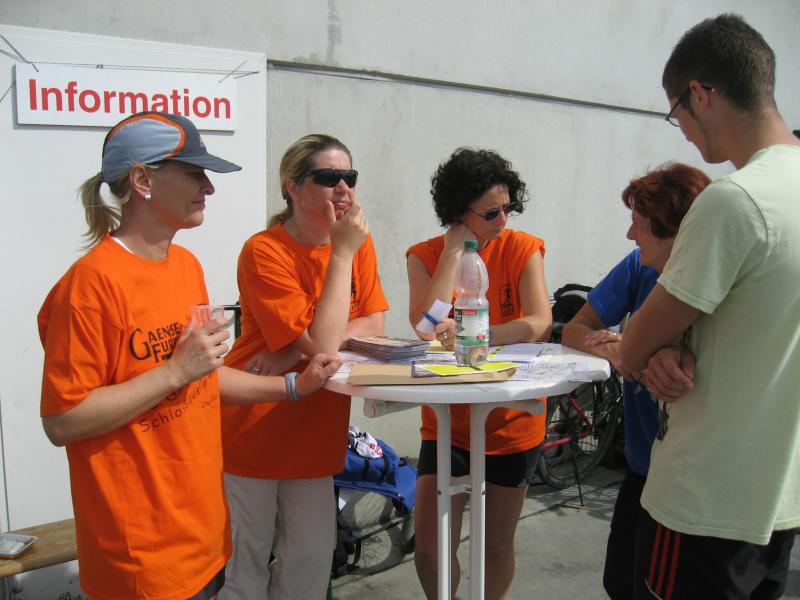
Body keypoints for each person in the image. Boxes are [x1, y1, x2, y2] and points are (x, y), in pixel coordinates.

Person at [38, 112, 340, 600]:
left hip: (203, 539)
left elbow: (202, 379)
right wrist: (174, 370)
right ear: (143, 181)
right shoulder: (89, 287)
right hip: (141, 557)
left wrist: (291, 387)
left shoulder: (185, 265)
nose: (209, 188)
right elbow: (63, 419)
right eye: (195, 173)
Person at [618, 14, 800, 598]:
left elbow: (632, 348)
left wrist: (652, 347)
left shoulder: (734, 201)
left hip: (706, 499)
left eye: (677, 114)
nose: (685, 134)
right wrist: (668, 346)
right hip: (781, 497)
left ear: (700, 94)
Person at [218, 134, 388, 599]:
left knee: (308, 568)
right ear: (292, 186)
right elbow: (326, 343)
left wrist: (296, 349)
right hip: (254, 430)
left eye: (349, 176)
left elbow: (375, 322)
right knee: (244, 572)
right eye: (328, 177)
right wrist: (341, 255)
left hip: (314, 433)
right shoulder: (265, 250)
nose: (343, 188)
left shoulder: (356, 243)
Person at [406, 148, 552, 599]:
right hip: (447, 424)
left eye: (509, 207)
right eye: (491, 212)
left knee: (495, 546)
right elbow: (425, 325)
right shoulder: (425, 255)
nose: (503, 220)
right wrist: (452, 254)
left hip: (509, 422)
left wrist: (478, 335)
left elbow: (539, 321)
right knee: (429, 550)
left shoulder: (523, 248)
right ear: (458, 213)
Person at [560, 163, 710, 599]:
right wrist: (619, 351)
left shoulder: (715, 281)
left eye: (639, 225)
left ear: (673, 232)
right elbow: (574, 329)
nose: (629, 235)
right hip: (642, 465)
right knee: (620, 582)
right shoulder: (639, 266)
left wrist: (639, 352)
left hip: (687, 480)